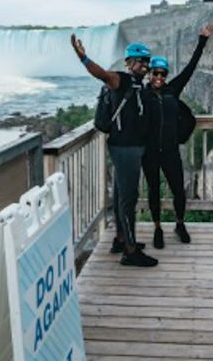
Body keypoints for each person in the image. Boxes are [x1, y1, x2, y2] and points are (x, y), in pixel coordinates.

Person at [71, 35, 158, 267]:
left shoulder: (141, 84)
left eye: (146, 61)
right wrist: (84, 58)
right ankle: (130, 252)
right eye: (139, 61)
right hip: (125, 148)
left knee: (121, 195)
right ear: (128, 62)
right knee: (128, 200)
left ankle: (121, 239)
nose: (144, 65)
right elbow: (102, 74)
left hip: (133, 148)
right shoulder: (122, 80)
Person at [143, 24, 212, 249]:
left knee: (178, 190)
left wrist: (202, 41)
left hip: (171, 150)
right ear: (150, 74)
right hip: (150, 152)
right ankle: (157, 228)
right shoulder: (141, 94)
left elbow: (191, 67)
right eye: (156, 74)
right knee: (154, 190)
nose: (160, 78)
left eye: (163, 74)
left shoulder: (173, 90)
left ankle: (180, 224)